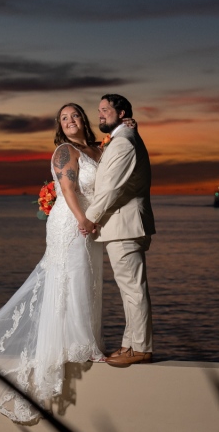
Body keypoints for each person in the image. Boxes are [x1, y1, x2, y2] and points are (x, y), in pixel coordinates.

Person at [0, 103, 134, 430]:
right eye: (64, 118)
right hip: (72, 221)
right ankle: (76, 345)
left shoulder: (95, 148)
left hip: (91, 224)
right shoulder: (65, 151)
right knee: (70, 279)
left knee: (88, 279)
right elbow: (70, 189)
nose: (71, 120)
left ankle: (88, 342)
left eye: (75, 115)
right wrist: (82, 220)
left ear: (83, 120)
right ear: (60, 127)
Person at [79, 94, 156, 367]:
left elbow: (111, 188)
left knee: (133, 290)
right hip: (122, 225)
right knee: (128, 291)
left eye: (105, 110)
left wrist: (88, 220)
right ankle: (130, 344)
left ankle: (142, 348)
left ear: (122, 113)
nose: (99, 115)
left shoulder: (124, 143)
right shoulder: (123, 137)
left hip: (124, 225)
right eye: (98, 110)